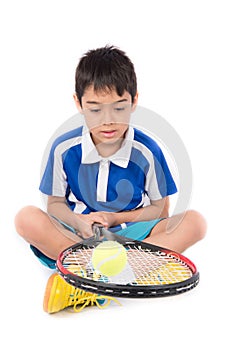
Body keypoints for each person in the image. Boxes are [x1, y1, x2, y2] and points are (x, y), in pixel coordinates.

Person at [15, 45, 207, 314]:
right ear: (78, 103)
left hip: (130, 239)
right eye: (95, 110)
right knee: (26, 218)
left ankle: (88, 278)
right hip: (78, 237)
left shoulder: (148, 150)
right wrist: (79, 222)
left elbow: (160, 211)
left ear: (134, 100)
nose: (108, 121)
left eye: (119, 108)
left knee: (195, 222)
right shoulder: (63, 148)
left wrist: (115, 219)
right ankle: (103, 272)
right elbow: (55, 204)